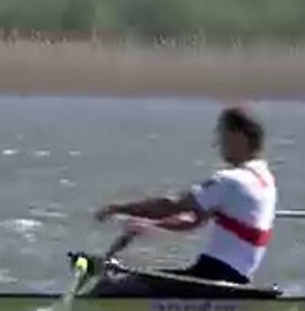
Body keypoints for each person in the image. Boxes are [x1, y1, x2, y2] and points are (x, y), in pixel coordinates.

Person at [94, 105, 276, 285]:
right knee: (138, 280)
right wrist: (153, 225)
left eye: (222, 136)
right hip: (236, 278)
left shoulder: (231, 180)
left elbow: (171, 205)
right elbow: (194, 219)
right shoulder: (266, 180)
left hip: (214, 275)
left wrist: (117, 209)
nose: (217, 144)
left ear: (239, 137)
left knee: (122, 286)